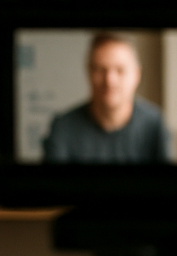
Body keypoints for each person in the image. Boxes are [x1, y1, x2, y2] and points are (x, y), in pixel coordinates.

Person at [42, 31, 170, 164]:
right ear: (89, 73)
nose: (110, 81)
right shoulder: (63, 128)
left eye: (120, 70)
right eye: (100, 69)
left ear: (136, 75)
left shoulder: (155, 125)